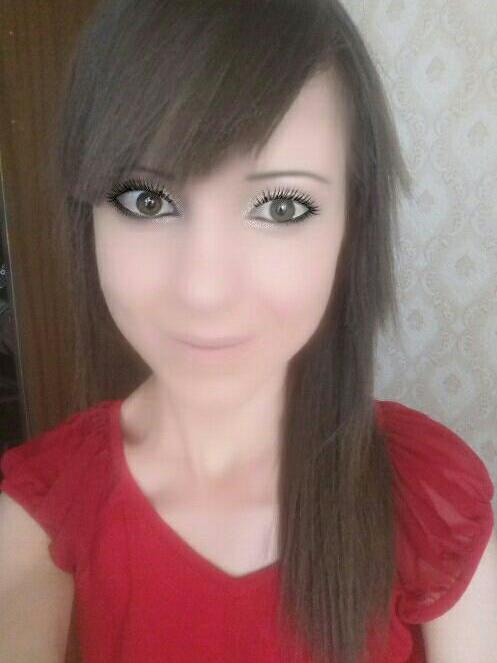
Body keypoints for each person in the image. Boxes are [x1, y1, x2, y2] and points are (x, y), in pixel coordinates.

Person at [0, 1, 495, 662]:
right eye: (147, 200)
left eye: (281, 206)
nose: (203, 289)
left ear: (351, 229)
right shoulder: (42, 515)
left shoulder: (428, 497)